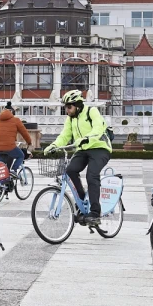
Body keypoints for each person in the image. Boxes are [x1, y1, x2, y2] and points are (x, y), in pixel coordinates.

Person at [44, 90, 112, 227]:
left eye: (69, 107)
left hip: (100, 148)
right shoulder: (70, 119)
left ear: (78, 105)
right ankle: (81, 201)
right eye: (65, 107)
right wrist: (53, 145)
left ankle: (95, 213)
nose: (67, 110)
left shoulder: (91, 111)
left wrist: (86, 138)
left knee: (91, 175)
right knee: (70, 170)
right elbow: (64, 136)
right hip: (83, 149)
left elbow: (98, 128)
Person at [0, 102, 32, 173]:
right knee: (21, 155)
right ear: (11, 111)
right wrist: (29, 142)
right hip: (9, 146)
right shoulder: (16, 120)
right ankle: (13, 170)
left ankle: (7, 180)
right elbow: (24, 133)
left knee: (3, 166)